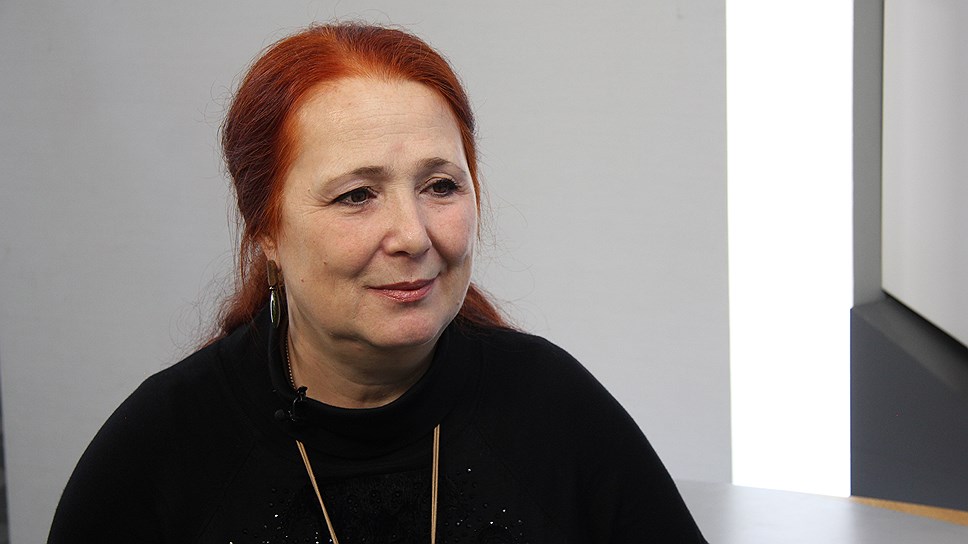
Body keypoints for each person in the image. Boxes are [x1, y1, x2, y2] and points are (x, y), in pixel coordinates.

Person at [48, 23, 707, 543]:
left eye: (440, 186)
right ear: (266, 227)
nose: (412, 235)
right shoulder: (158, 453)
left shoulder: (558, 412)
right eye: (357, 195)